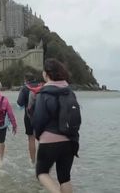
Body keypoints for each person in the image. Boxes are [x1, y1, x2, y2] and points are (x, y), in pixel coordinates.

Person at [32, 58, 79, 193]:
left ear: (46, 74)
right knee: (65, 178)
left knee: (41, 172)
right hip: (70, 141)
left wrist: (38, 136)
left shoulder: (43, 93)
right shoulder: (69, 92)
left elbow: (39, 120)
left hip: (49, 141)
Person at [17, 73, 43, 165]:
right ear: (35, 78)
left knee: (31, 139)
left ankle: (33, 161)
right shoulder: (42, 87)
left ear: (26, 79)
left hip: (29, 117)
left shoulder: (25, 88)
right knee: (43, 138)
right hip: (42, 116)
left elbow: (19, 103)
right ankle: (44, 161)